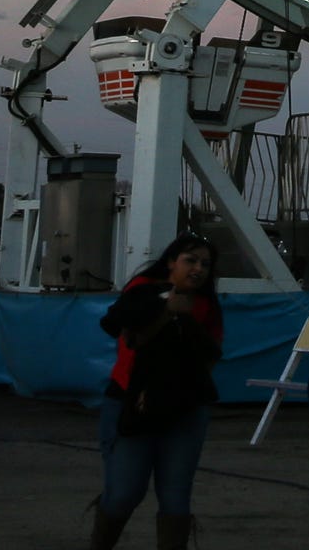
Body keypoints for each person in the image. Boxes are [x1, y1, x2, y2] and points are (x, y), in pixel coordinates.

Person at [96, 234, 225, 550]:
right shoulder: (142, 290)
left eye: (205, 264)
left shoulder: (206, 304)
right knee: (124, 492)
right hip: (134, 404)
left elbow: (211, 353)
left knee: (176, 497)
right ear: (171, 262)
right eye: (190, 261)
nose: (198, 269)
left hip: (185, 408)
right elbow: (128, 339)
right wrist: (167, 311)